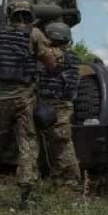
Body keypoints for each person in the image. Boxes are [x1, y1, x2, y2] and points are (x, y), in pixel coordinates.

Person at [0, 0, 56, 207]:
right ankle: (26, 194)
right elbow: (51, 64)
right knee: (27, 143)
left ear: (10, 14)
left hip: (0, 98)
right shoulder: (34, 34)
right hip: (24, 98)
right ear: (29, 14)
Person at [37, 22, 83, 190]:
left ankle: (71, 184)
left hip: (56, 105)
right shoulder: (71, 56)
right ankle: (59, 179)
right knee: (58, 144)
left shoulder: (56, 55)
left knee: (61, 145)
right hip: (60, 104)